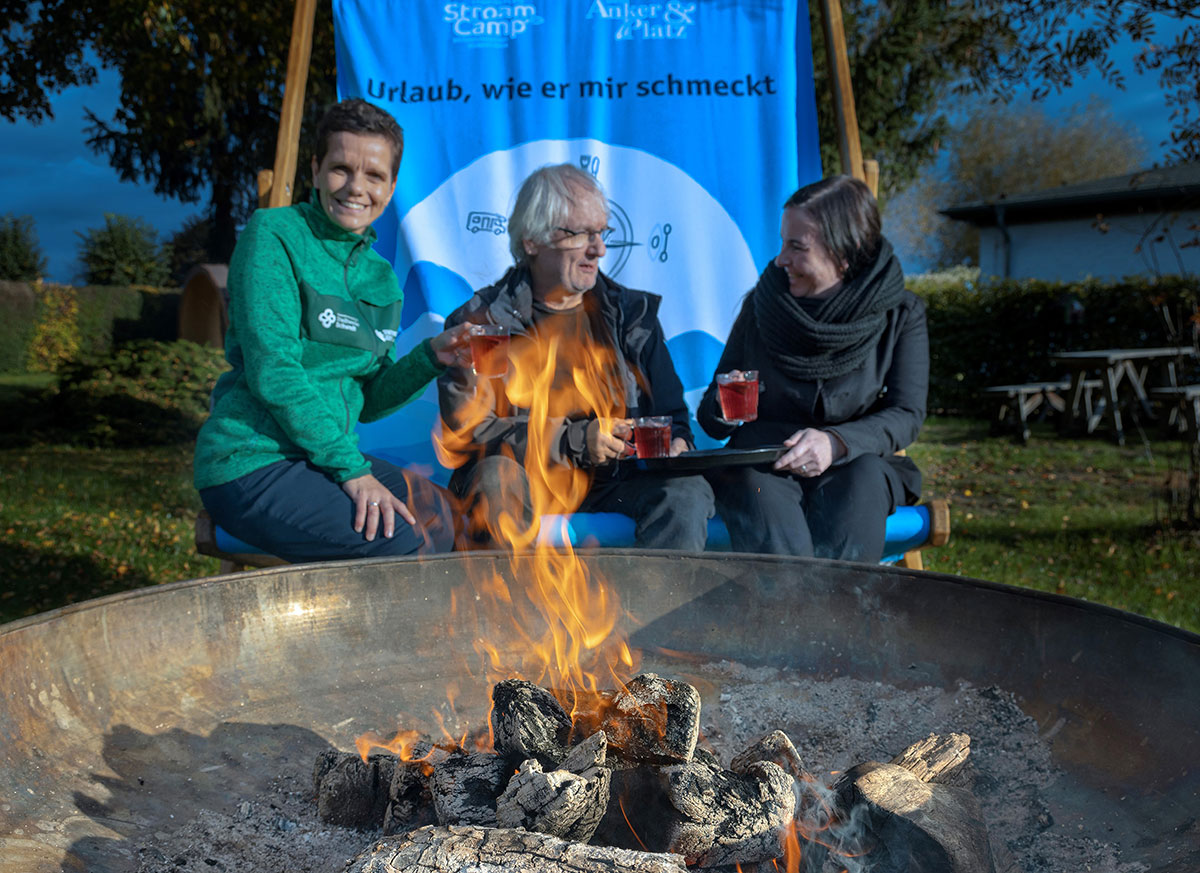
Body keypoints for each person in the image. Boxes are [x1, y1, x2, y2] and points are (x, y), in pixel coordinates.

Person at [194, 98, 473, 562]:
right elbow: (274, 371)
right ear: (316, 168)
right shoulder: (274, 234)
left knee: (447, 520)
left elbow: (369, 399)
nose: (356, 188)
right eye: (342, 168)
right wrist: (352, 472)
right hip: (252, 462)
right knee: (399, 542)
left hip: (320, 461)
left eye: (374, 176)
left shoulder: (381, 278)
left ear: (392, 185)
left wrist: (431, 357)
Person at [438, 163, 714, 549]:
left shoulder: (631, 317)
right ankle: (509, 611)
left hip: (616, 481)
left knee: (684, 491)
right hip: (523, 480)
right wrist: (574, 439)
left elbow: (673, 419)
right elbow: (473, 431)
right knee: (495, 480)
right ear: (532, 240)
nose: (598, 249)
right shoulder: (485, 322)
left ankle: (660, 608)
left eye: (601, 233)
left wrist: (678, 444)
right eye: (580, 234)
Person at [696, 175, 928, 561]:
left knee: (862, 484)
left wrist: (836, 442)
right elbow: (711, 419)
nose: (780, 259)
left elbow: (907, 414)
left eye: (797, 247)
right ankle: (789, 617)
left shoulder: (900, 314)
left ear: (845, 252)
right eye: (782, 243)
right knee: (757, 492)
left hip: (857, 459)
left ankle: (841, 614)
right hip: (762, 461)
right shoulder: (761, 307)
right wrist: (725, 403)